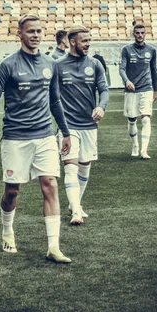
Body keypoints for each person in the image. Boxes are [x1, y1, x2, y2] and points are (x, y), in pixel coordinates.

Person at [0, 15, 72, 264]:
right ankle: (7, 230)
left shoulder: (50, 64)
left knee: (50, 184)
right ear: (19, 33)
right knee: (12, 191)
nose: (36, 35)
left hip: (44, 136)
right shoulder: (7, 65)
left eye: (39, 31)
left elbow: (55, 101)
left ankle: (53, 246)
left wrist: (65, 131)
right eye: (31, 31)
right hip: (15, 138)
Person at [55, 26, 109, 226]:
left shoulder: (95, 64)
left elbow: (104, 89)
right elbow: (51, 96)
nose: (88, 44)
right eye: (84, 40)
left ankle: (75, 203)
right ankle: (76, 211)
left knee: (85, 167)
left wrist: (101, 107)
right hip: (68, 126)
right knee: (70, 167)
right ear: (72, 42)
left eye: (89, 40)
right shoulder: (58, 65)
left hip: (89, 125)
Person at [119, 22, 157, 160]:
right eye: (137, 33)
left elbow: (153, 71)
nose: (140, 35)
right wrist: (127, 81)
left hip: (146, 88)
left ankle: (144, 151)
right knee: (132, 120)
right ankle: (135, 145)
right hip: (131, 90)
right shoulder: (126, 50)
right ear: (133, 34)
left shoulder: (152, 50)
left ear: (145, 34)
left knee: (146, 119)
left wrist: (155, 90)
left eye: (142, 33)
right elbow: (122, 68)